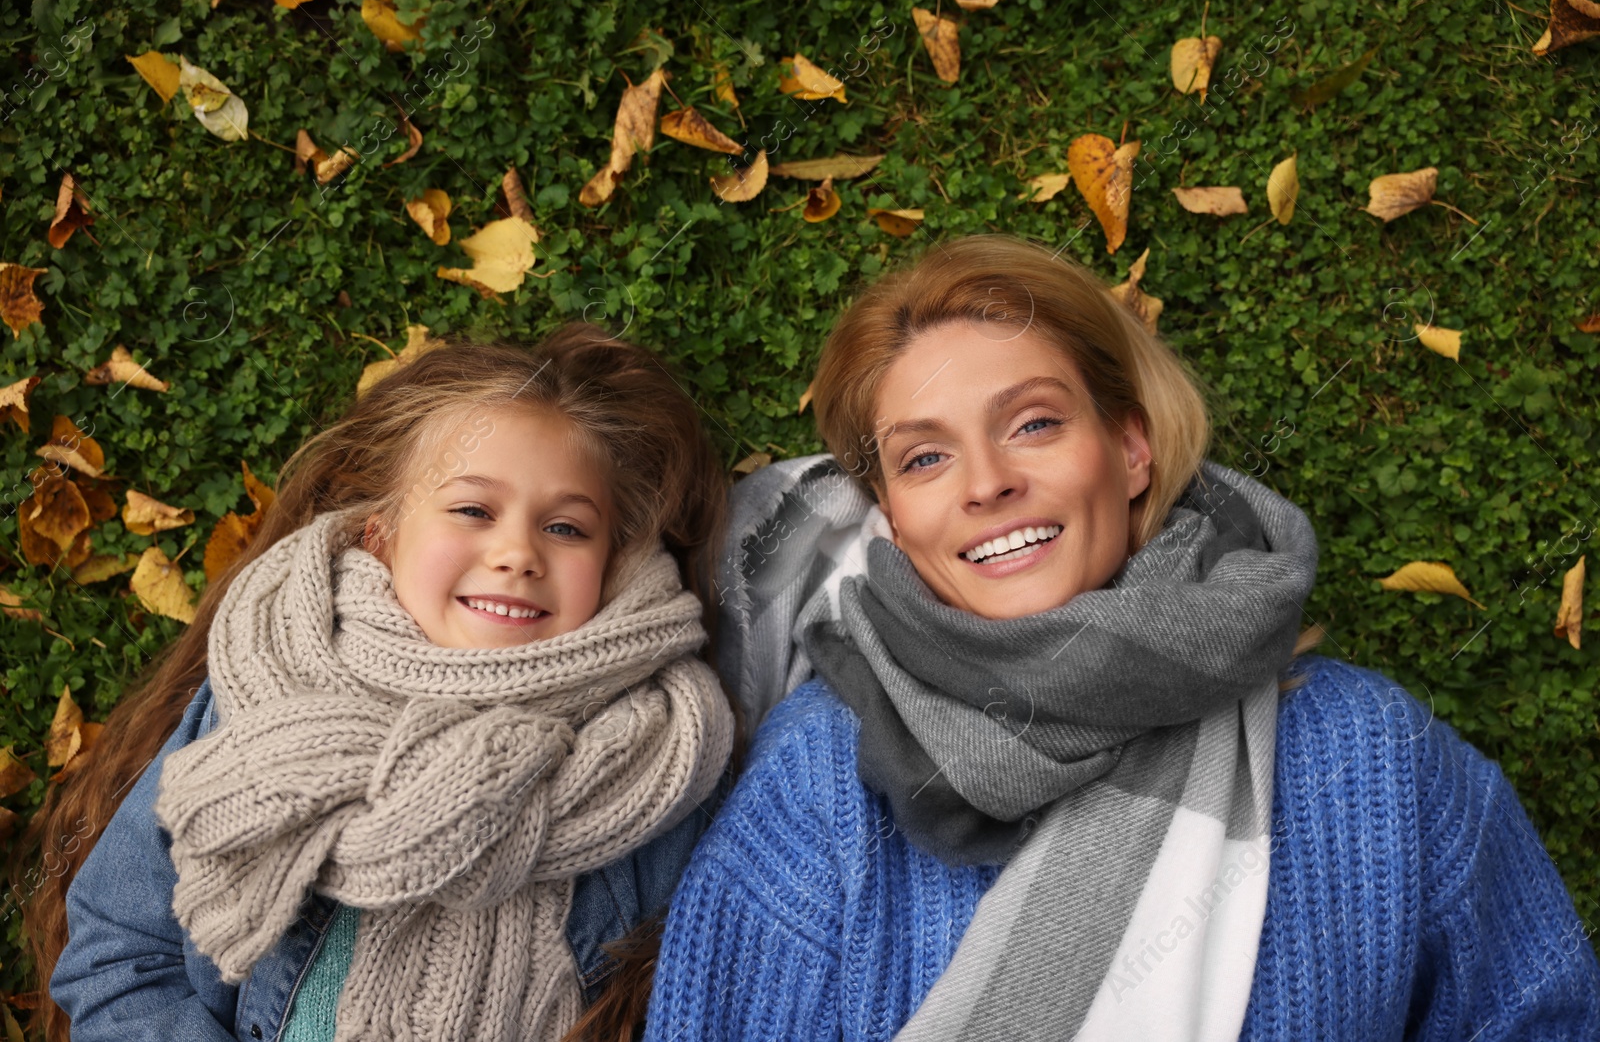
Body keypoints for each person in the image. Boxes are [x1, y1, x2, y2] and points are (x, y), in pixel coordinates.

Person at [642, 234, 1600, 1040]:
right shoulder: (821, 771)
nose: (985, 482)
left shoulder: (1374, 754)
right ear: (891, 513)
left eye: (1033, 423)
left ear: (1131, 448)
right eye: (924, 456)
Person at [39, 324, 743, 1042]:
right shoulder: (268, 696)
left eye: (566, 527)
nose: (516, 552)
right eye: (473, 509)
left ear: (615, 564)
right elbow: (120, 954)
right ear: (380, 536)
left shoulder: (657, 763)